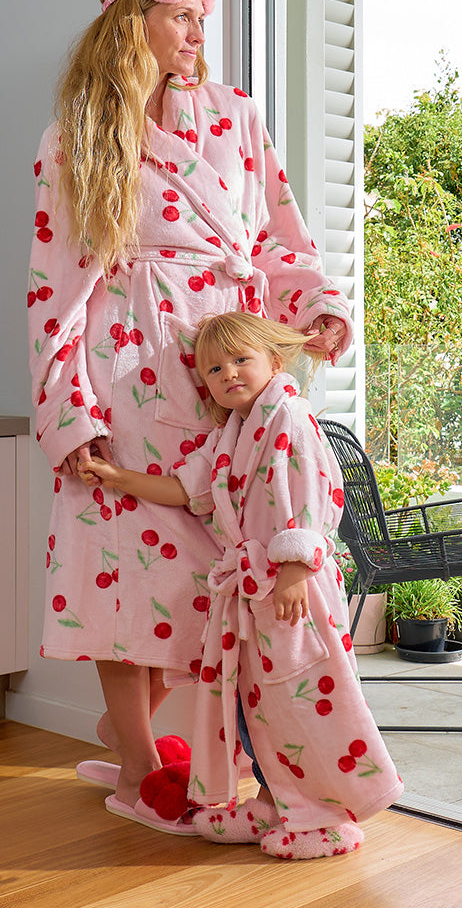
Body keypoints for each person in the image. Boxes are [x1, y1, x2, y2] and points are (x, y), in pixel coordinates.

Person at [27, 0, 352, 833]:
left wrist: (313, 306)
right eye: (182, 15)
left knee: (225, 571)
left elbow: (279, 234)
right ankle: (140, 764)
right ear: (132, 22)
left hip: (226, 368)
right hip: (126, 368)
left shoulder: (235, 114)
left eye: (202, 18)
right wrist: (69, 411)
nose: (198, 33)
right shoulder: (79, 137)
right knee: (123, 571)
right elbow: (56, 290)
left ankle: (149, 730)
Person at [79, 312, 403, 859]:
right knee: (257, 707)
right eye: (213, 369)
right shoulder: (232, 434)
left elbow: (314, 492)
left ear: (274, 362)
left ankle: (325, 818)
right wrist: (119, 478)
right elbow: (185, 489)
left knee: (303, 703)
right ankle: (275, 803)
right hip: (253, 594)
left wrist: (295, 568)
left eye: (239, 360)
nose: (227, 373)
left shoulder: (292, 418)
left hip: (293, 589)